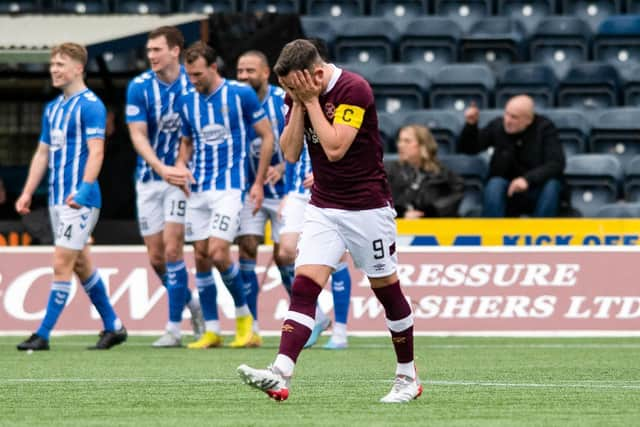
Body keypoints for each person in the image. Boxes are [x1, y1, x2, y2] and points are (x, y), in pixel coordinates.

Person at [237, 39, 422, 403]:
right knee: (305, 285)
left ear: (317, 74)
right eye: (288, 88)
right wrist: (301, 103)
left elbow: (336, 148)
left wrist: (309, 102)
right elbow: (290, 153)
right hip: (324, 206)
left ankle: (407, 376)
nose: (289, 92)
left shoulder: (354, 89)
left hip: (367, 207)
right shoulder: (298, 94)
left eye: (294, 86)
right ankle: (280, 372)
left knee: (387, 291)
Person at [15, 42, 127, 351]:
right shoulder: (53, 108)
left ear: (78, 68)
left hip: (80, 200)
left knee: (61, 263)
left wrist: (85, 188)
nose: (53, 69)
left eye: (60, 64)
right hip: (56, 198)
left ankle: (43, 334)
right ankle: (114, 326)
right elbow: (42, 153)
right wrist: (26, 192)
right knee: (81, 265)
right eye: (52, 64)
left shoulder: (91, 105)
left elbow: (97, 150)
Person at [172, 41, 274, 349]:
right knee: (201, 257)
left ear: (214, 68)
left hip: (230, 187)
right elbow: (187, 141)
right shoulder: (186, 100)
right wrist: (179, 165)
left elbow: (267, 136)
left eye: (198, 74)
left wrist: (257, 183)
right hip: (197, 188)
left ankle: (246, 322)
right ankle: (213, 330)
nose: (193, 81)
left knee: (218, 253)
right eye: (189, 75)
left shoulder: (239, 93)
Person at [126, 26, 204, 347]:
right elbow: (138, 134)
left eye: (157, 50)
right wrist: (160, 168)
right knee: (156, 257)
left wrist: (181, 167)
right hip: (149, 178)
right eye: (149, 51)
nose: (151, 56)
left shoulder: (194, 83)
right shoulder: (139, 87)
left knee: (173, 250)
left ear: (175, 51)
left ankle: (173, 328)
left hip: (181, 178)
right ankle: (193, 303)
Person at [233, 49, 289, 348]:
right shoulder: (232, 99)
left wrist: (282, 166)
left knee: (284, 256)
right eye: (240, 71)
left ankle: (308, 317)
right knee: (247, 248)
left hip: (282, 191)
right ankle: (251, 325)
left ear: (265, 73)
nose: (243, 76)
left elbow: (304, 141)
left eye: (249, 71)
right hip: (248, 191)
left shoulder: (282, 100)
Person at [458, 96, 565, 217]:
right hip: (507, 190)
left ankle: (541, 233)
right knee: (495, 184)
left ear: (528, 120)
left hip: (536, 188)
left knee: (552, 185)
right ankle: (493, 233)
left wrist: (527, 180)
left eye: (514, 117)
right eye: (506, 114)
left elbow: (556, 163)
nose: (507, 120)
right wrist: (471, 126)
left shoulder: (545, 128)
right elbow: (469, 149)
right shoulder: (498, 125)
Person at [387, 124, 465, 218]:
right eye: (400, 140)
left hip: (433, 226)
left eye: (407, 141)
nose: (400, 145)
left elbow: (456, 195)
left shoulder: (442, 173)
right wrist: (402, 213)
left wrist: (429, 212)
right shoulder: (390, 170)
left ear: (423, 145)